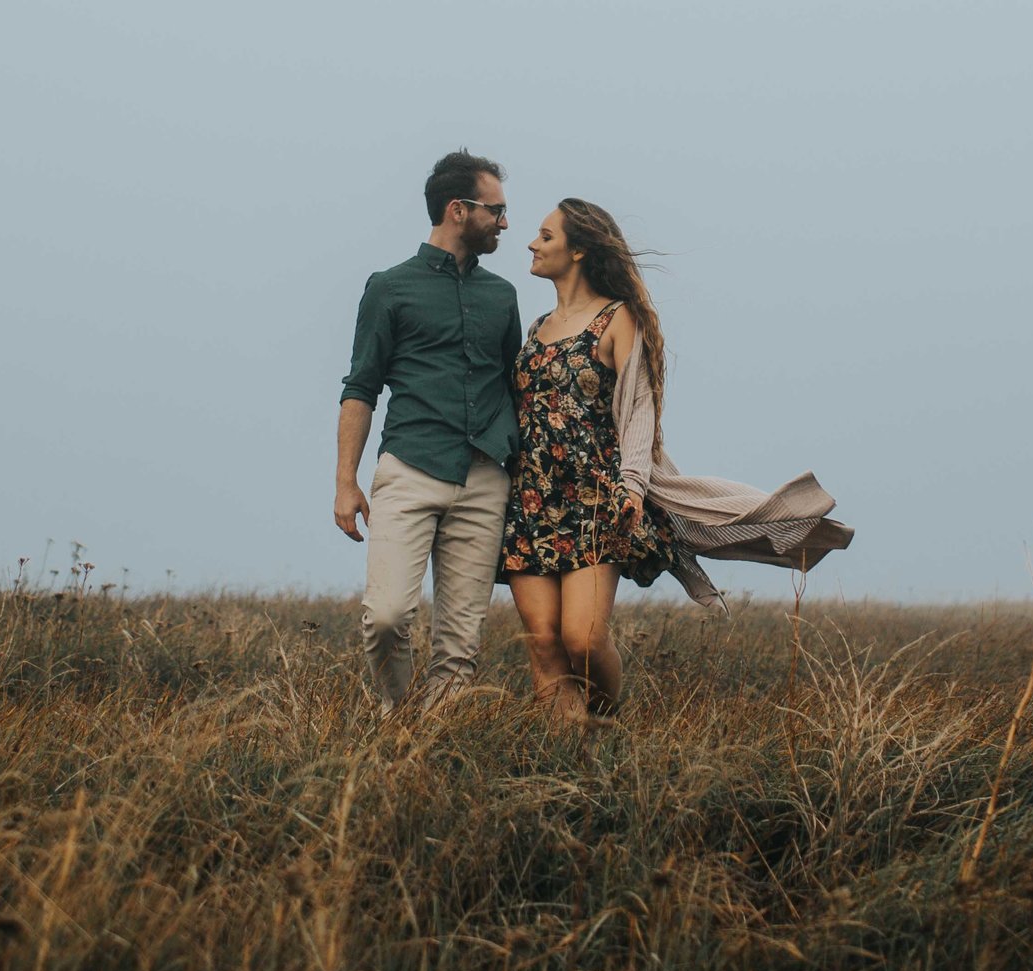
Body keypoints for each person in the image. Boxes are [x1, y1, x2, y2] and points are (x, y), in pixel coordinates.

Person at [502, 198, 850, 726]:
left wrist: (633, 486)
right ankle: (569, 766)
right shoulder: (536, 328)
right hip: (530, 500)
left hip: (598, 502)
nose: (531, 242)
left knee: (585, 640)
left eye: (545, 236)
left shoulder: (619, 318)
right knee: (545, 647)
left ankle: (605, 727)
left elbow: (640, 410)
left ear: (578, 250)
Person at [334, 150, 523, 712]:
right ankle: (398, 723)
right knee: (388, 616)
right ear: (458, 210)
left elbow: (515, 386)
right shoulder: (389, 288)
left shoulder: (502, 296)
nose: (506, 224)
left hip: (486, 477)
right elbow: (360, 388)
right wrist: (346, 483)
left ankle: (432, 750)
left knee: (459, 645)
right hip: (411, 468)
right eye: (497, 210)